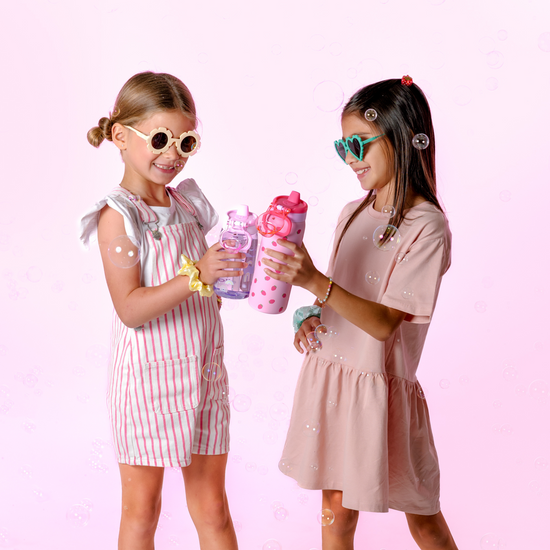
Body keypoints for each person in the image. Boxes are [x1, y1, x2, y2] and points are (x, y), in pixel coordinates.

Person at [262, 77, 459, 550]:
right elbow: (341, 297)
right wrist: (310, 315)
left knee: (424, 520)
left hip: (380, 392)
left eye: (359, 143)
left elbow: (384, 322)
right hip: (334, 380)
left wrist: (314, 281)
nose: (350, 158)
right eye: (342, 146)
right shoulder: (353, 212)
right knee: (336, 516)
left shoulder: (426, 226)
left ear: (402, 137)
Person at [79, 71, 242, 550]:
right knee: (143, 509)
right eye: (159, 139)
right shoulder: (118, 216)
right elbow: (130, 309)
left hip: (204, 375)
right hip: (147, 385)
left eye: (185, 141)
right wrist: (198, 274)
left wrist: (230, 272)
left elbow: (203, 287)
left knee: (213, 507)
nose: (172, 154)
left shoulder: (187, 205)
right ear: (120, 136)